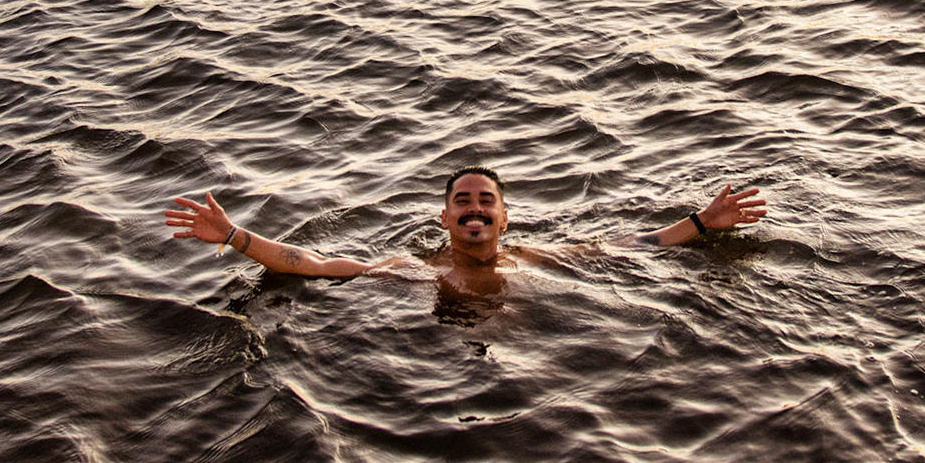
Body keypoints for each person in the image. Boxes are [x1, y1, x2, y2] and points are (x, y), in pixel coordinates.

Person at [163, 167, 766, 295]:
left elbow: (630, 246)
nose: (474, 211)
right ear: (445, 218)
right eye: (463, 203)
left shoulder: (536, 257)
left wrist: (699, 223)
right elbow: (311, 262)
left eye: (486, 203)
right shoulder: (409, 269)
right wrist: (235, 236)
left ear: (505, 217)